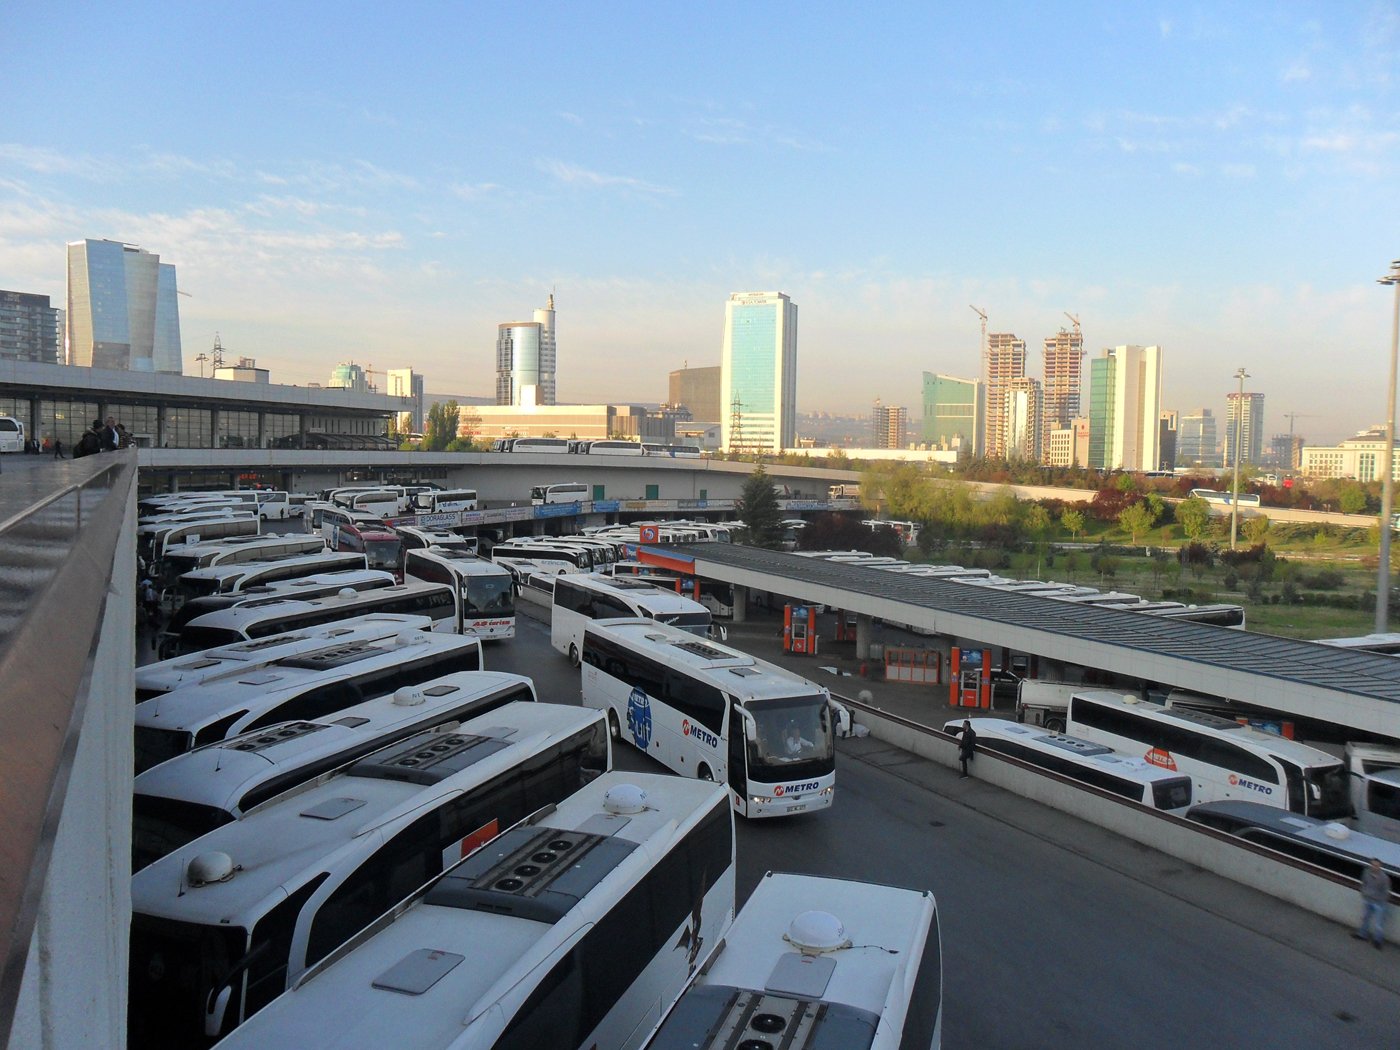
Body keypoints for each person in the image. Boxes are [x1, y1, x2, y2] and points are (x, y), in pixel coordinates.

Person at [1356, 857, 1392, 950]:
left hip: (1379, 903)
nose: (1374, 867)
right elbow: (1364, 883)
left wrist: (1379, 900)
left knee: (1378, 924)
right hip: (1368, 900)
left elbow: (1386, 892)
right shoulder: (1366, 872)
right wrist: (1364, 893)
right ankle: (1362, 935)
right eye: (1373, 865)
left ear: (1380, 867)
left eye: (1376, 865)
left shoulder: (1384, 878)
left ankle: (1378, 941)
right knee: (1365, 918)